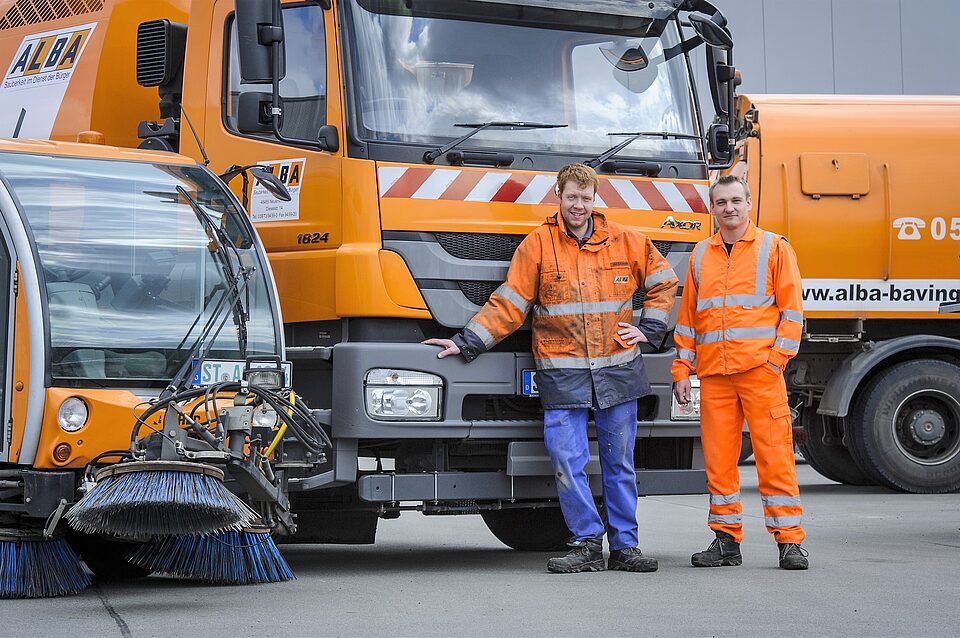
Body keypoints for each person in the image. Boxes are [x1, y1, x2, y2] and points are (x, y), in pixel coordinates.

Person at [424, 163, 678, 573]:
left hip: (617, 370)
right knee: (567, 461)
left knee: (619, 461)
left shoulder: (626, 241)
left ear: (595, 200)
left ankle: (626, 548)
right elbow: (509, 304)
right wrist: (465, 341)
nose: (578, 205)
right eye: (571, 196)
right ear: (557, 195)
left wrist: (650, 328)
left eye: (585, 197)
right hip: (564, 373)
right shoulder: (538, 245)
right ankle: (586, 544)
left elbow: (665, 280)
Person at [671, 174, 809, 570]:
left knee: (775, 456)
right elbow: (688, 322)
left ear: (749, 204)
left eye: (736, 200)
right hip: (714, 377)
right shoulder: (700, 256)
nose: (729, 208)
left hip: (760, 374)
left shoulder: (774, 248)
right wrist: (682, 368)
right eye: (721, 202)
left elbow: (792, 313)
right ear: (711, 209)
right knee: (718, 461)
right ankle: (726, 540)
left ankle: (789, 542)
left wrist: (774, 363)